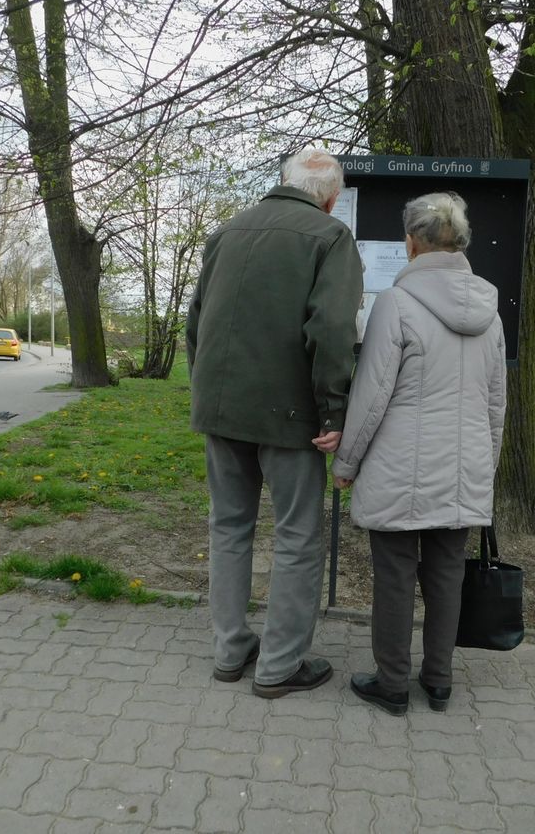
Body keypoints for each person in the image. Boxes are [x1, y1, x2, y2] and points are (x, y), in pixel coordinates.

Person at [186, 148, 363, 698]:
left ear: (281, 183)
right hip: (293, 417)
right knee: (296, 537)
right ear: (331, 197)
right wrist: (335, 411)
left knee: (229, 527)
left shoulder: (227, 232)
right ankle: (280, 666)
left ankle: (230, 650)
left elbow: (196, 324)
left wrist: (207, 394)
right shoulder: (330, 237)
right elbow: (332, 332)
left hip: (221, 409)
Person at [332, 191, 506, 716]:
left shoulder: (396, 304)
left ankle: (391, 683)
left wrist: (346, 464)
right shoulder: (491, 314)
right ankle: (439, 680)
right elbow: (496, 405)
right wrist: (485, 467)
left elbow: (371, 397)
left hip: (396, 472)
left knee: (394, 578)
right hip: (463, 470)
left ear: (411, 242)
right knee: (446, 576)